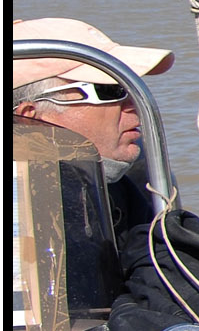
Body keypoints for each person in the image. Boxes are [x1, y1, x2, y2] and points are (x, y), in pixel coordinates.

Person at [13, 16, 174, 204]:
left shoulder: (132, 193)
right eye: (110, 91)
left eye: (132, 88)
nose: (136, 106)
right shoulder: (27, 217)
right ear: (30, 120)